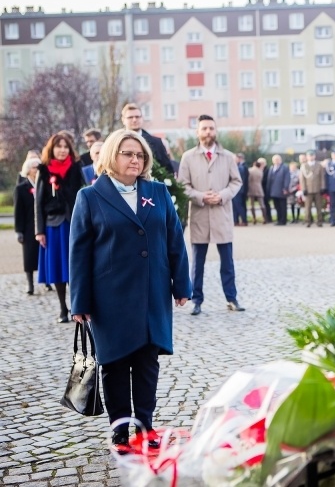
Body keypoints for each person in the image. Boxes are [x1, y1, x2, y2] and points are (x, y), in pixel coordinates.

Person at [69, 130, 191, 455]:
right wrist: (78, 302)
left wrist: (182, 285)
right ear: (112, 156)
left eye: (139, 155)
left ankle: (146, 426)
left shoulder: (158, 193)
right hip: (109, 298)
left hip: (153, 294)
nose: (135, 159)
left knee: (148, 362)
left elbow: (175, 241)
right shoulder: (90, 197)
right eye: (127, 153)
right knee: (115, 364)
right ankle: (120, 429)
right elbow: (79, 253)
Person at [178, 115, 245, 315]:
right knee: (197, 263)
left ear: (216, 131)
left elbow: (236, 182)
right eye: (204, 128)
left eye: (211, 128)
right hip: (199, 214)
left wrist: (223, 195)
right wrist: (200, 196)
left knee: (227, 262)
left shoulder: (228, 156)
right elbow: (183, 185)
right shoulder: (188, 157)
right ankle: (196, 300)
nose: (208, 132)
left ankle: (231, 298)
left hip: (222, 214)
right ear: (198, 132)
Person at [35, 132, 85, 322]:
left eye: (65, 147)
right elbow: (38, 203)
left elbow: (84, 192)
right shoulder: (44, 170)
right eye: (59, 147)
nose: (62, 150)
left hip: (75, 223)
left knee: (76, 266)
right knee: (58, 266)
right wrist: (39, 230)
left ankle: (77, 306)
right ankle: (63, 308)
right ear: (52, 149)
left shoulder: (76, 168)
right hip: (53, 225)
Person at [14, 158, 41, 295]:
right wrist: (19, 231)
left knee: (43, 254)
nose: (37, 170)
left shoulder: (44, 185)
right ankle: (30, 283)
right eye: (35, 168)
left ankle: (47, 281)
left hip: (42, 225)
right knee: (29, 256)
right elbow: (18, 211)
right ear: (28, 170)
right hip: (28, 226)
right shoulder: (21, 188)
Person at [121, 103, 173, 173]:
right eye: (130, 117)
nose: (134, 120)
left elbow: (168, 170)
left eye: (137, 117)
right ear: (123, 120)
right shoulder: (116, 142)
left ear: (142, 118)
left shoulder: (157, 143)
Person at [299, 150, 326, 227]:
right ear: (307, 157)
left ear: (314, 156)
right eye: (309, 156)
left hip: (317, 189)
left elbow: (322, 177)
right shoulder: (304, 166)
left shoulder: (319, 165)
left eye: (312, 155)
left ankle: (319, 221)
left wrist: (322, 187)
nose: (311, 157)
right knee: (307, 207)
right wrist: (303, 188)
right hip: (308, 189)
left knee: (319, 206)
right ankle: (308, 221)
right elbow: (302, 178)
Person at [266, 154, 291, 225]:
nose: (276, 161)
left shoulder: (284, 167)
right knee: (276, 206)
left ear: (280, 160)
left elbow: (287, 178)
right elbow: (269, 180)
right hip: (273, 191)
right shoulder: (272, 168)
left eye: (277, 159)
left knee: (282, 206)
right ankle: (279, 219)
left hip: (282, 190)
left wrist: (285, 188)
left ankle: (283, 220)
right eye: (274, 160)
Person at [247, 159, 267, 223]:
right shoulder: (260, 171)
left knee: (251, 205)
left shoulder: (250, 170)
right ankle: (264, 218)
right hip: (259, 187)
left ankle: (254, 218)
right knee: (262, 204)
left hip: (251, 188)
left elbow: (248, 179)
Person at [233, 153, 249, 226]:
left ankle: (244, 220)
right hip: (236, 190)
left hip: (238, 190)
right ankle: (235, 220)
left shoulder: (240, 168)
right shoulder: (238, 167)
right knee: (235, 206)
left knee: (238, 205)